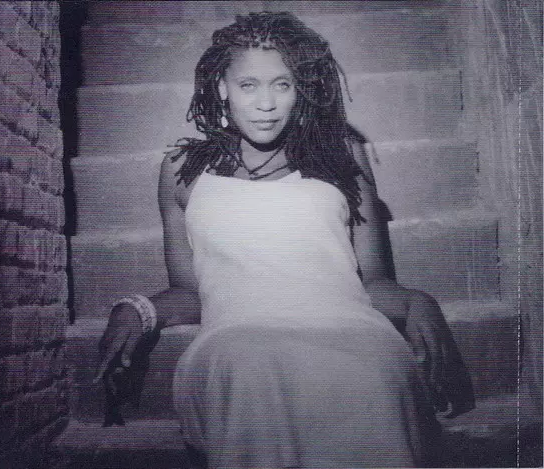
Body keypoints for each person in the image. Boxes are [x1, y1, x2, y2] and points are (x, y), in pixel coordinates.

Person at [95, 11, 474, 468]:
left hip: (348, 325)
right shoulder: (181, 170)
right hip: (237, 335)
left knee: (377, 370)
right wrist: (139, 309)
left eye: (282, 85)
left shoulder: (341, 157)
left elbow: (373, 281)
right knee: (252, 368)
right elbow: (190, 292)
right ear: (222, 87)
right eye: (248, 85)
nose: (266, 104)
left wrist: (418, 303)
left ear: (302, 90)